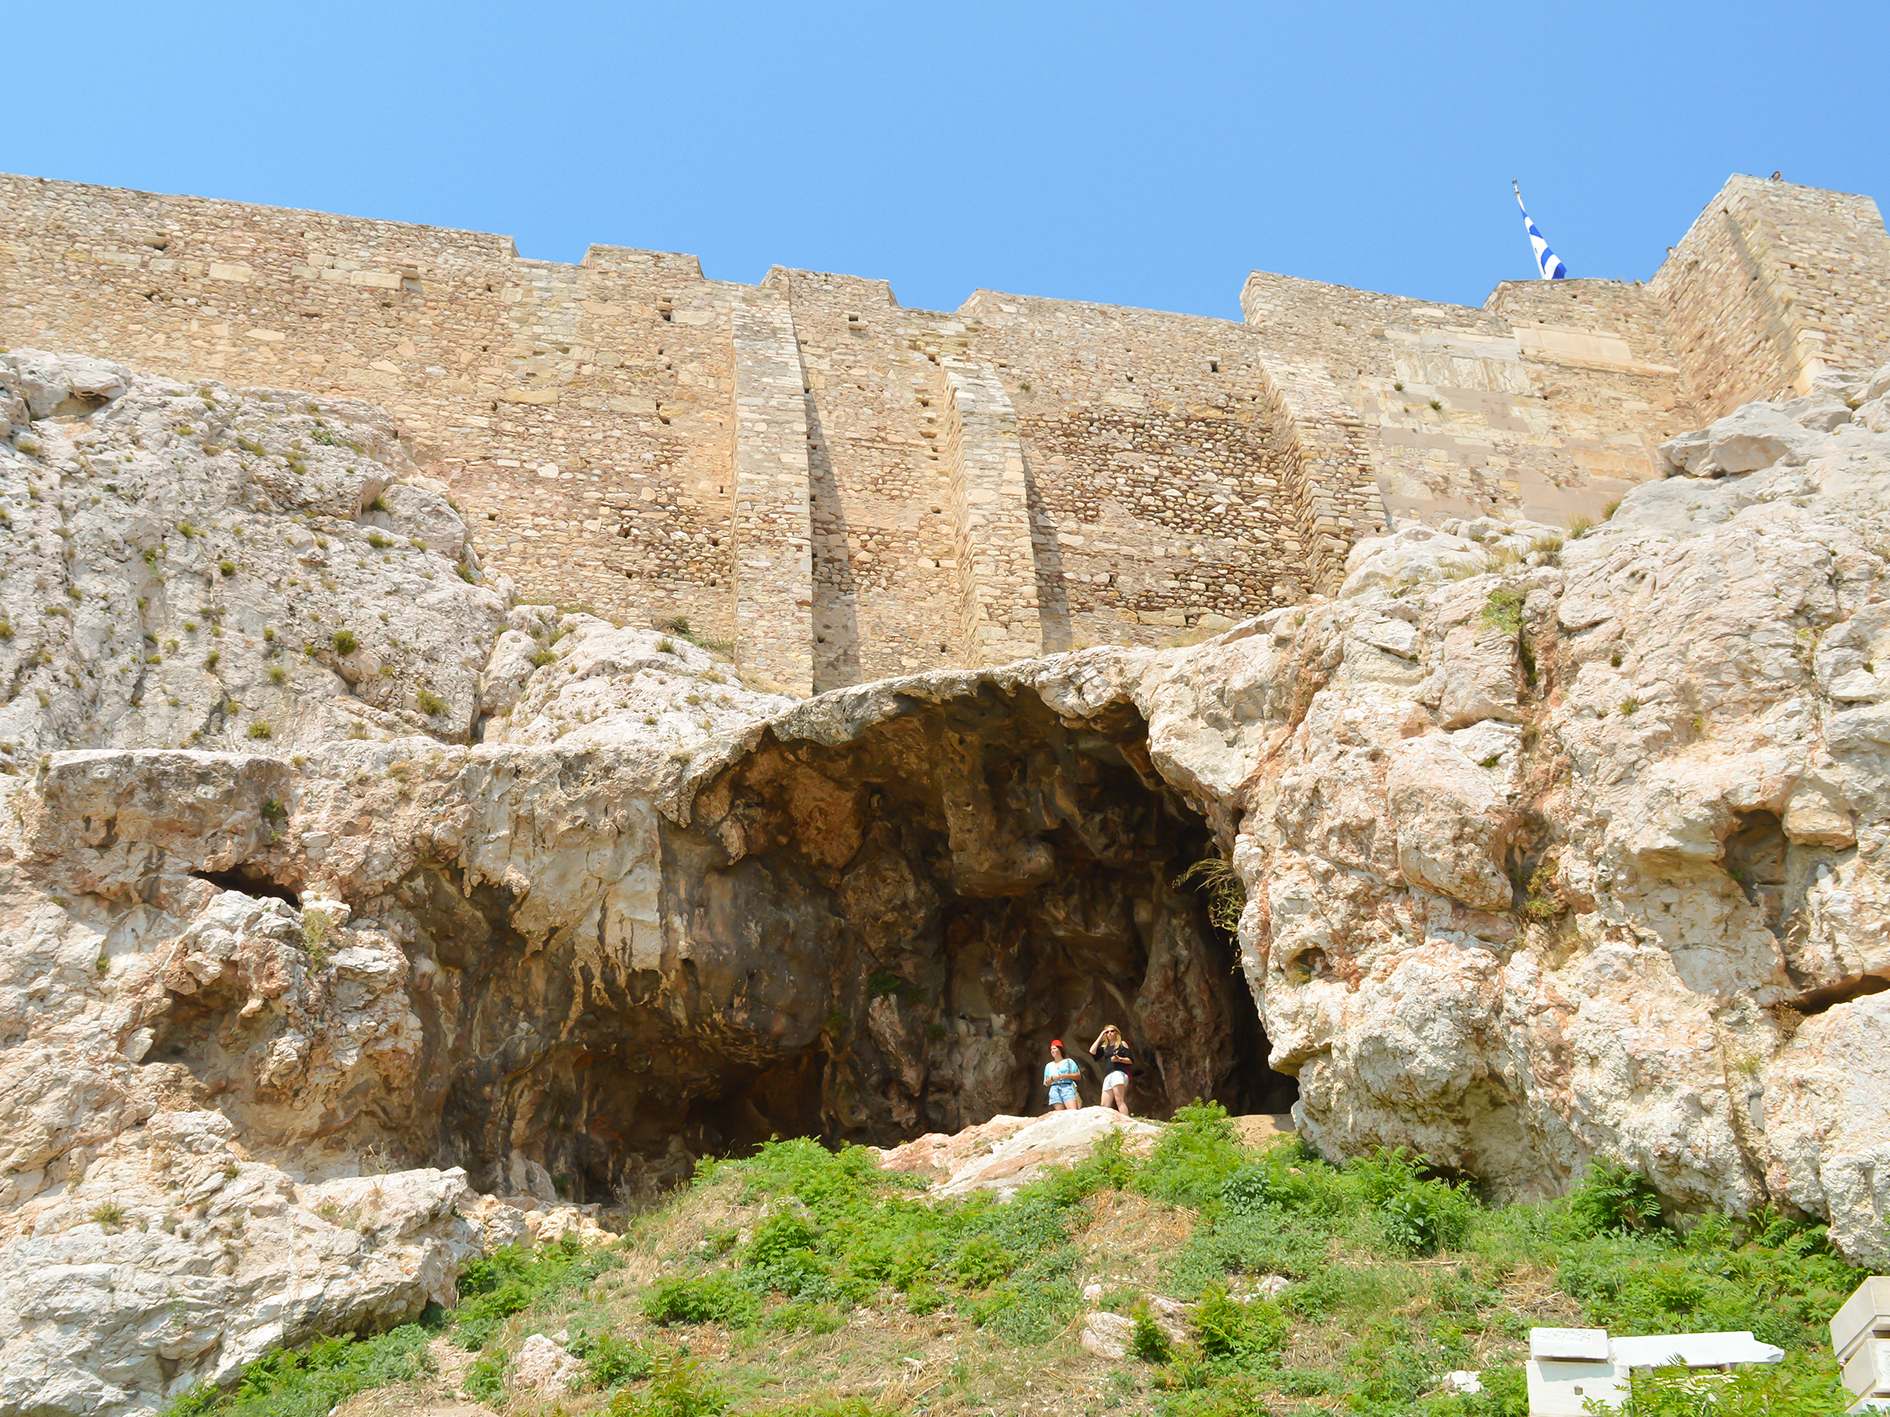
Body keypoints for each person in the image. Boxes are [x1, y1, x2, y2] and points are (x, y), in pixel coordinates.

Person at [1090, 1024, 1134, 1117]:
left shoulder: (1122, 1044)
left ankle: (1126, 1120)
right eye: (1107, 1032)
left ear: (1117, 1033)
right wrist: (1100, 1037)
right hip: (1108, 1075)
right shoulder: (1105, 1047)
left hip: (1118, 1072)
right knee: (1104, 1105)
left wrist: (1119, 1059)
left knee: (1119, 1100)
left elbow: (1131, 1060)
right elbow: (1092, 1051)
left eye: (1112, 1031)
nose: (1109, 1033)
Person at [1043, 1039, 1082, 1112]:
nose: (1052, 1051)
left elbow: (1078, 1076)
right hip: (1054, 1090)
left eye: (1054, 1048)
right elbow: (1047, 1082)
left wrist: (1067, 1075)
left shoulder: (1069, 1062)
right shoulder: (1049, 1066)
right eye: (1051, 1049)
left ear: (1060, 1049)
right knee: (1060, 1113)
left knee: (1073, 1111)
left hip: (1067, 1087)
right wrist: (1052, 1078)